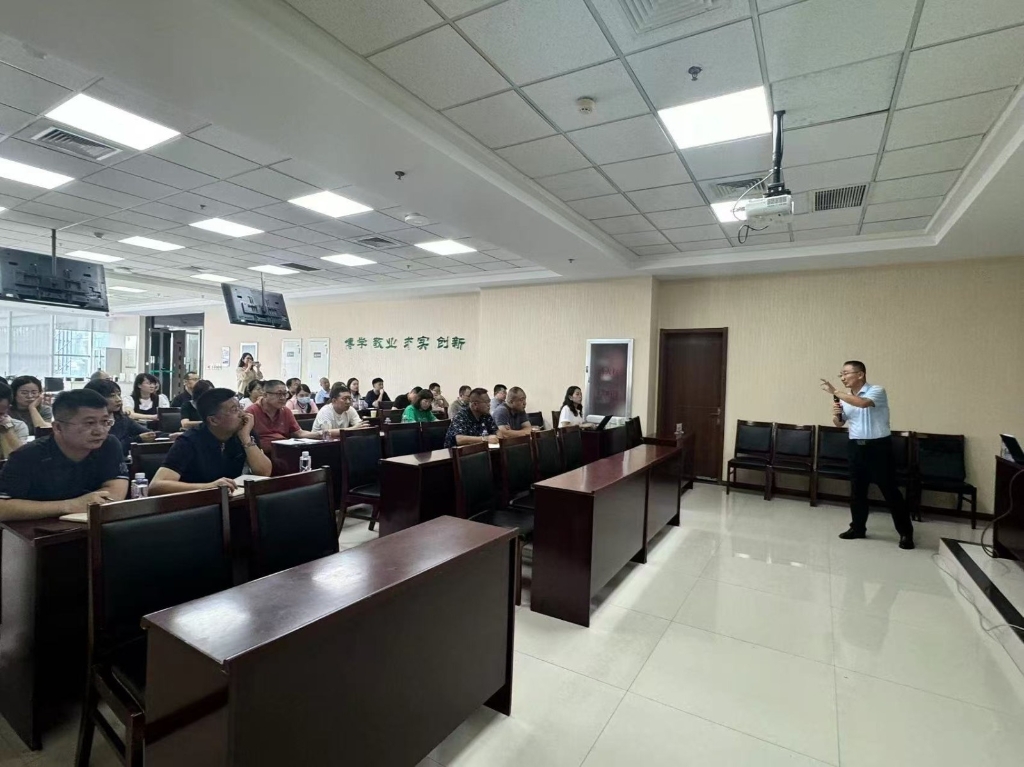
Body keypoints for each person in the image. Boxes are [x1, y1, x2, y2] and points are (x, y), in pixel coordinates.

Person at [821, 360, 914, 550]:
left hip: (878, 447)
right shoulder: (845, 398)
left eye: (846, 373)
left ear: (860, 374)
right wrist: (836, 414)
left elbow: (863, 404)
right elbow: (840, 423)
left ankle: (906, 533)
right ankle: (857, 528)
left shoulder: (876, 391)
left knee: (890, 491)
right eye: (841, 374)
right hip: (856, 447)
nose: (843, 377)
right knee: (857, 491)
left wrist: (835, 392)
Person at [0, 389, 129, 522]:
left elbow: (116, 491)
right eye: (89, 423)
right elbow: (2, 508)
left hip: (89, 526)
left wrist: (84, 505)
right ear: (58, 427)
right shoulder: (26, 456)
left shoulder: (109, 444)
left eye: (105, 422)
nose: (100, 431)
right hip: (36, 529)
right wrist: (70, 505)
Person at [150, 388, 271, 495]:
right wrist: (208, 487)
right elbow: (156, 486)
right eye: (234, 410)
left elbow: (264, 472)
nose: (243, 414)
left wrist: (245, 438)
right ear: (213, 420)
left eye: (240, 407)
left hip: (231, 501)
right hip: (198, 505)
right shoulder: (189, 441)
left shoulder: (243, 432)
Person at [84, 379, 156, 456]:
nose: (118, 399)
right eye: (112, 396)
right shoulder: (87, 424)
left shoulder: (122, 419)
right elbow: (108, 449)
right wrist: (137, 439)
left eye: (119, 395)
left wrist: (163, 435)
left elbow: (148, 433)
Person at [246, 379, 317, 451]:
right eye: (279, 394)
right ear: (265, 395)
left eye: (285, 394)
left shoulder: (286, 411)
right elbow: (245, 438)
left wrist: (319, 434)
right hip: (261, 452)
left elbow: (298, 433)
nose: (283, 398)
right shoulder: (251, 411)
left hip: (284, 450)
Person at [0, 381, 30, 458]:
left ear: (8, 408)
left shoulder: (18, 426)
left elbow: (19, 458)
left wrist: (7, 430)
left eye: (1, 413)